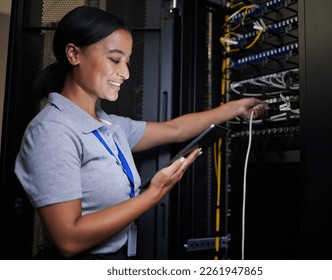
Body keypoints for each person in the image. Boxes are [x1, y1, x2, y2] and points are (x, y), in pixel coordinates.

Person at [14, 6, 266, 260]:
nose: (125, 73)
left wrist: (235, 108)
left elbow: (174, 129)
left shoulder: (110, 126)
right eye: (114, 59)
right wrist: (153, 194)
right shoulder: (53, 131)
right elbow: (68, 239)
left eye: (127, 62)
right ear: (74, 54)